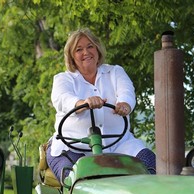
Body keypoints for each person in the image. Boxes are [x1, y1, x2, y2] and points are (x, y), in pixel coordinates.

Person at [46, 28, 156, 181]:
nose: (86, 52)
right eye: (79, 49)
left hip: (118, 145)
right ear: (72, 56)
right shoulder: (63, 79)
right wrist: (83, 103)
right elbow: (62, 98)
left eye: (90, 46)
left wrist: (125, 104)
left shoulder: (115, 72)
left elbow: (127, 91)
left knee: (149, 162)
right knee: (72, 178)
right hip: (72, 146)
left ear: (97, 49)